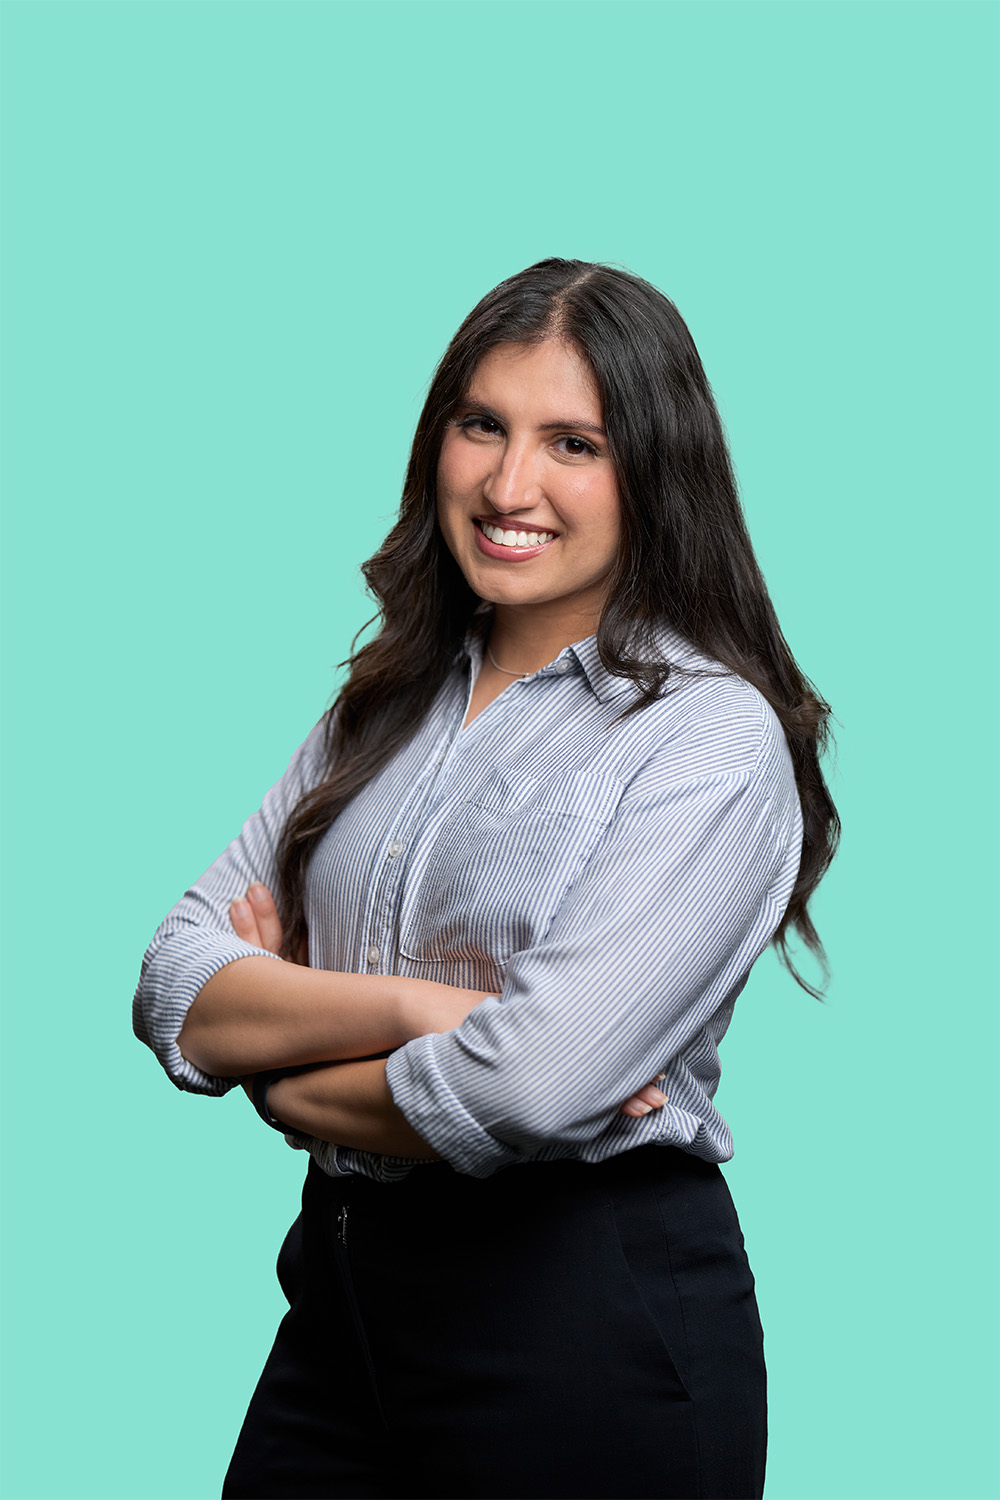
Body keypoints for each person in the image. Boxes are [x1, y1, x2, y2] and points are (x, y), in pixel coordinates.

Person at [133, 257, 839, 1500]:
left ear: (655, 470)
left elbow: (529, 1087)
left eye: (574, 444)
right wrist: (429, 1010)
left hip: (583, 1328)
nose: (510, 487)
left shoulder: (708, 740)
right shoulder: (383, 705)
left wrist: (286, 1075)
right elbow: (175, 982)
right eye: (481, 426)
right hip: (340, 1312)